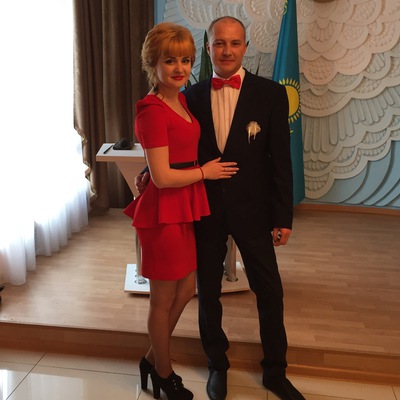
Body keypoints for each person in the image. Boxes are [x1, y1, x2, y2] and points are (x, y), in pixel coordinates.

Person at [136, 16, 306, 400]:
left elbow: (281, 160)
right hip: (204, 208)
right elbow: (174, 145)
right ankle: (217, 365)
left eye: (235, 43)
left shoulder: (271, 94)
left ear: (245, 46)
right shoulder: (188, 95)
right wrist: (149, 170)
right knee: (207, 293)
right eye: (219, 43)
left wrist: (283, 216)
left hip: (254, 211)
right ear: (208, 48)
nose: (227, 51)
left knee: (270, 291)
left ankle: (275, 371)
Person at [124, 22, 238, 400]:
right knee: (162, 298)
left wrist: (155, 170)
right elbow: (162, 177)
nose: (179, 68)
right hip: (163, 211)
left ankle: (150, 359)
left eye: (186, 60)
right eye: (169, 60)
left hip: (184, 205)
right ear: (152, 64)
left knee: (187, 289)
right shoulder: (151, 110)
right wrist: (205, 172)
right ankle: (164, 372)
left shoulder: (181, 99)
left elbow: (170, 155)